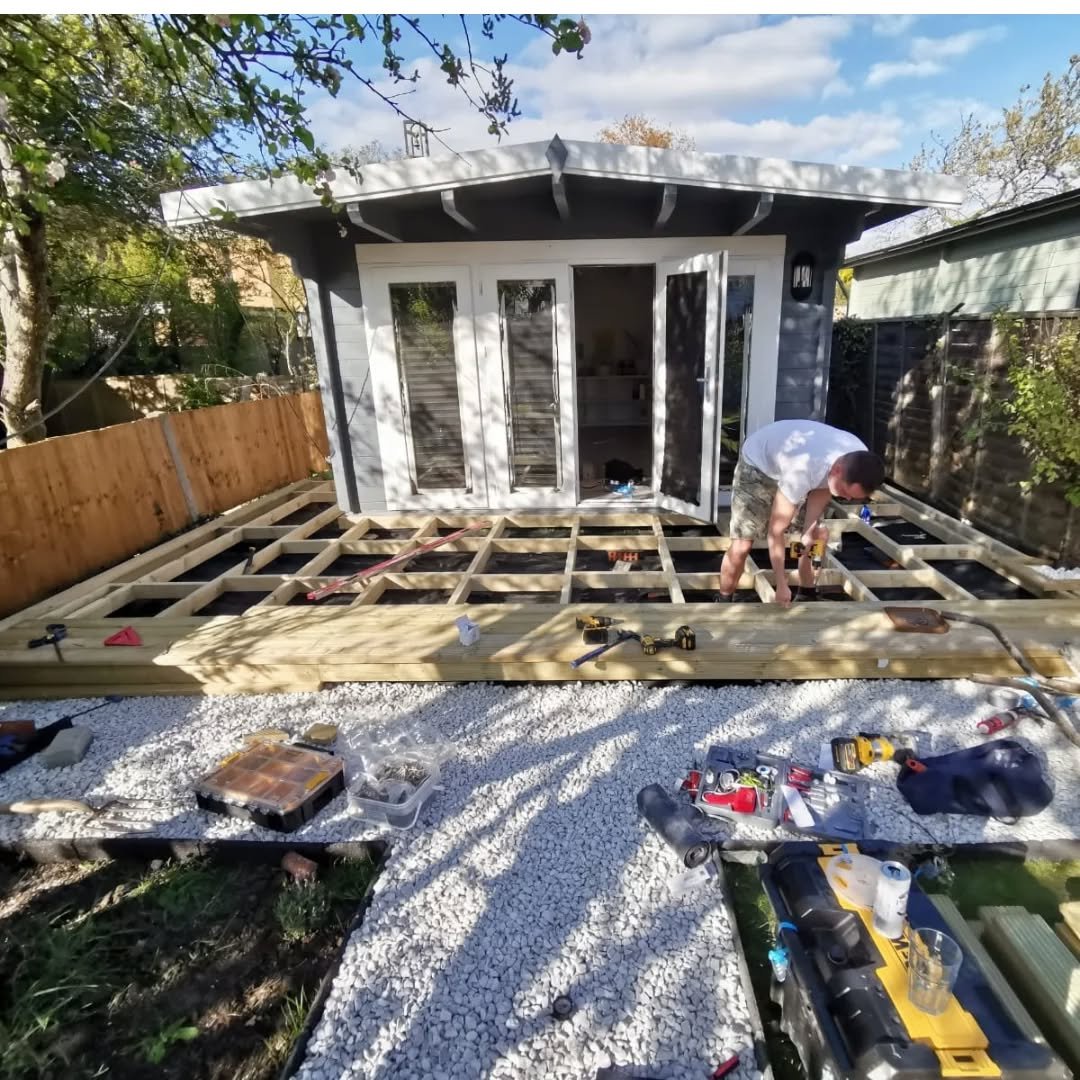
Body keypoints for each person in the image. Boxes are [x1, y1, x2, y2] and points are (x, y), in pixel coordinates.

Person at [716, 419, 885, 607]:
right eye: (845, 492)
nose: (846, 499)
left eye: (851, 497)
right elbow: (776, 531)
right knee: (742, 545)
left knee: (815, 535)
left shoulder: (859, 457)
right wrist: (781, 584)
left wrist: (809, 529)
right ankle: (723, 598)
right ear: (837, 470)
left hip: (809, 466)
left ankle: (807, 590)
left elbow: (822, 489)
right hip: (759, 465)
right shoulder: (802, 469)